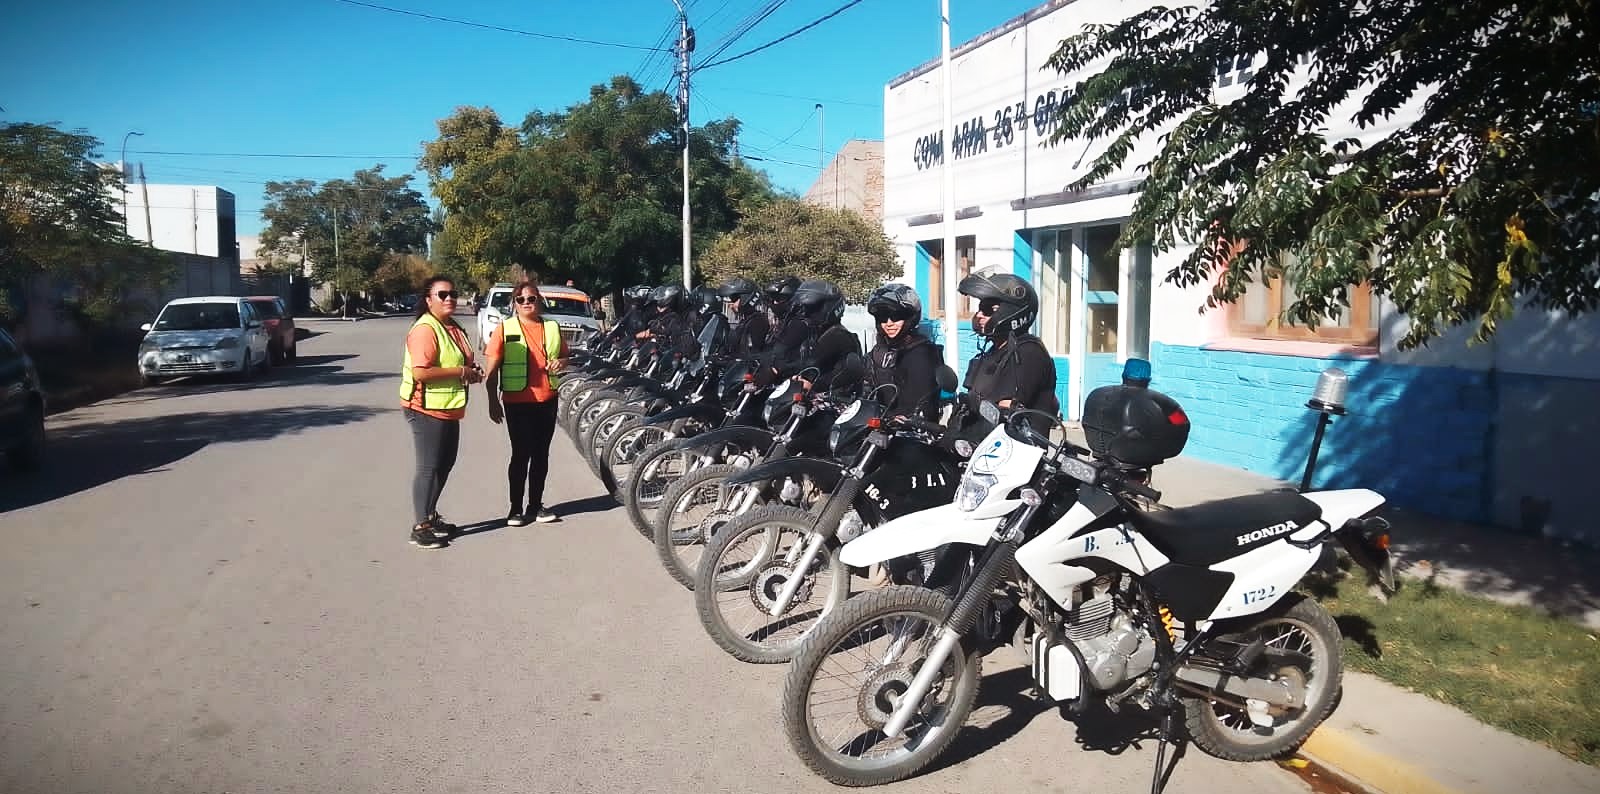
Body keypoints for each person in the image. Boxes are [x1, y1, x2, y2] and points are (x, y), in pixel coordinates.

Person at [399, 276, 482, 549]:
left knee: (444, 465)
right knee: (428, 467)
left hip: (448, 407)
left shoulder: (452, 326)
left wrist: (471, 372)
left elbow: (461, 359)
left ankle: (430, 514)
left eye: (452, 294)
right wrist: (460, 372)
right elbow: (421, 372)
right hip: (425, 407)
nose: (449, 299)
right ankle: (420, 526)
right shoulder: (425, 329)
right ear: (428, 299)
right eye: (442, 294)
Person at [483, 281, 569, 526]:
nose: (526, 303)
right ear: (514, 304)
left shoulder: (552, 327)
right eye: (521, 299)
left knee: (541, 454)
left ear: (539, 300)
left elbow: (565, 356)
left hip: (547, 400)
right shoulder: (505, 328)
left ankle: (535, 505)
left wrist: (561, 363)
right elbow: (491, 371)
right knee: (521, 454)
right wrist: (492, 401)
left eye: (531, 298)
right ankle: (515, 508)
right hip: (517, 402)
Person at [956, 270, 1059, 433]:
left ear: (1012, 312)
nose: (979, 315)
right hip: (981, 447)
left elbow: (1005, 410)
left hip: (1015, 451)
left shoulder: (1028, 353)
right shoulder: (994, 351)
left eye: (990, 310)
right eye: (980, 309)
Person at [765, 279, 862, 392]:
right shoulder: (816, 332)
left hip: (835, 402)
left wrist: (778, 369)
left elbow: (810, 361)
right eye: (806, 308)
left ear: (829, 307)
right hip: (812, 398)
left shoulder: (838, 336)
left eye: (812, 308)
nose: (807, 313)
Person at [865, 283, 941, 420]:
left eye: (896, 316)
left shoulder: (922, 353)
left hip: (909, 432)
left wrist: (902, 419)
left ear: (910, 319)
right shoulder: (878, 352)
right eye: (882, 317)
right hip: (877, 426)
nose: (889, 323)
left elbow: (921, 402)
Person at [717, 276, 771, 357]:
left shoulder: (757, 322)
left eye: (734, 299)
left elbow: (752, 353)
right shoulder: (746, 321)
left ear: (746, 298)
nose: (731, 305)